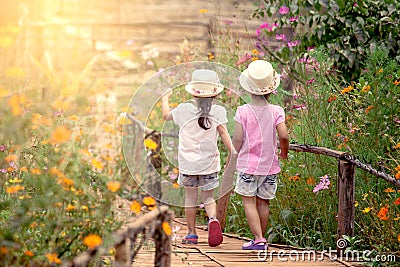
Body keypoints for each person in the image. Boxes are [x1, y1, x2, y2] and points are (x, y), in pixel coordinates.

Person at [161, 69, 234, 247]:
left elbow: (166, 116)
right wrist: (233, 151)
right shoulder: (218, 111)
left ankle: (192, 234)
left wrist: (164, 97)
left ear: (193, 92)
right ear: (215, 93)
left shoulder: (184, 109)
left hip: (188, 166)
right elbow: (223, 133)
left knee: (190, 198)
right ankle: (213, 219)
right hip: (209, 164)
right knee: (208, 197)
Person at [232, 60, 289, 250]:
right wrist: (284, 152)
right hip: (269, 166)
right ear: (271, 89)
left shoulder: (243, 111)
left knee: (248, 201)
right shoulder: (276, 111)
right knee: (263, 202)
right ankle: (260, 238)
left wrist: (235, 152)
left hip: (248, 165)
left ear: (249, 88)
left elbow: (238, 139)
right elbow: (283, 135)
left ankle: (258, 239)